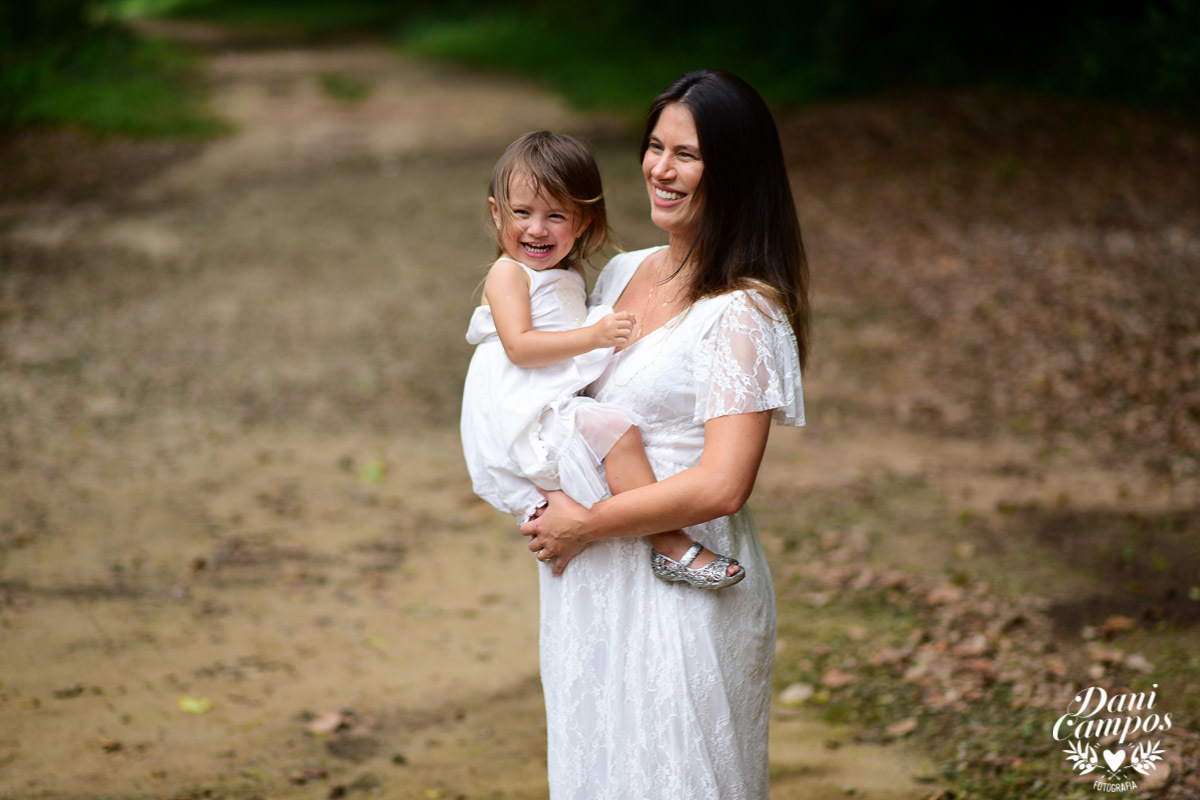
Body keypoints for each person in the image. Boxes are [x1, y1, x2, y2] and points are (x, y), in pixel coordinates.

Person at [520, 70, 810, 798]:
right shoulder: (618, 274)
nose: (661, 169)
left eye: (688, 154)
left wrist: (588, 522)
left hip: (685, 589)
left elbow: (723, 483)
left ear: (735, 172)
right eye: (655, 147)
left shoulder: (744, 313)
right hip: (593, 585)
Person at [460, 130, 746, 590]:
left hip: (546, 399)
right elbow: (520, 346)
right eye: (522, 213)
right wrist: (592, 336)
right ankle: (669, 543)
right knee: (617, 430)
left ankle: (603, 527)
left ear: (584, 222)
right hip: (520, 401)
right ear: (497, 213)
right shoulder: (507, 273)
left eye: (556, 216)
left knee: (611, 438)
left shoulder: (569, 273)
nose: (537, 229)